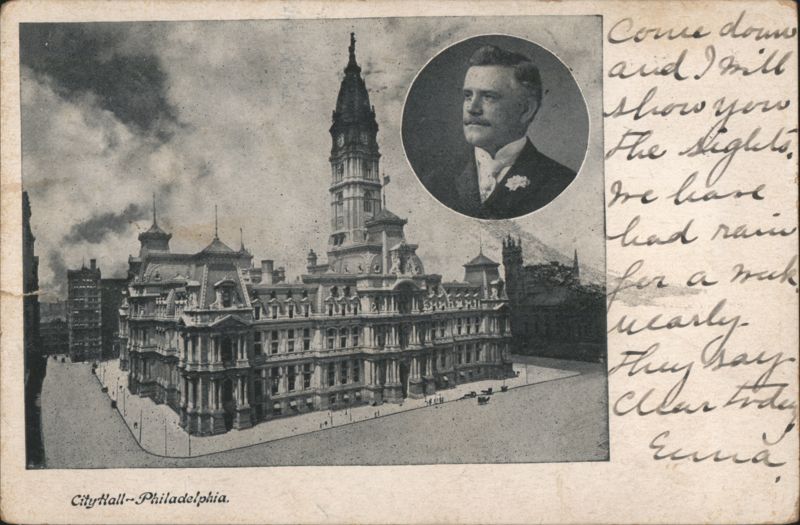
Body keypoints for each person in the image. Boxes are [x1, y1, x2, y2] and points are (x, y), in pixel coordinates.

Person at [429, 45, 577, 220]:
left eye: (488, 96)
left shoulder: (562, 183)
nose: (472, 108)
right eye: (468, 95)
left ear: (526, 110)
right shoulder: (437, 181)